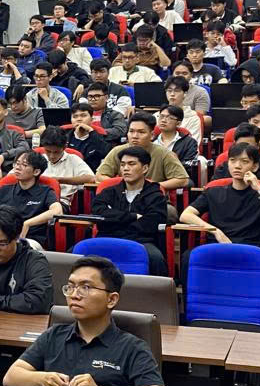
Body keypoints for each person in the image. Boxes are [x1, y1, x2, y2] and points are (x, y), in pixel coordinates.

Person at [4, 256, 166, 386]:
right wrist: (43, 378)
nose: (74, 295)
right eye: (71, 287)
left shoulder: (132, 347)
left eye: (86, 288)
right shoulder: (54, 335)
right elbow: (11, 377)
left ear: (111, 299)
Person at [180, 142, 260, 302]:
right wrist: (214, 231)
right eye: (233, 160)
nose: (237, 166)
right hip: (219, 247)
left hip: (252, 249)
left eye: (244, 161)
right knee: (188, 257)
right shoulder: (214, 190)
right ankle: (188, 306)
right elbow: (186, 215)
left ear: (255, 167)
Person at [91, 146, 170, 276]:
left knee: (156, 258)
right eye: (122, 165)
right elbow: (98, 213)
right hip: (108, 238)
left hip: (141, 242)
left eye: (131, 164)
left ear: (145, 168)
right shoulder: (109, 192)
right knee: (73, 252)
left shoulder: (155, 195)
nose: (125, 168)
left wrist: (115, 221)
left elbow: (151, 223)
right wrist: (132, 217)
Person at [0, 151, 63, 247]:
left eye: (24, 165)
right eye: (17, 163)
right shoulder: (5, 189)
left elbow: (57, 211)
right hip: (1, 235)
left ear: (36, 172)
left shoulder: (45, 191)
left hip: (30, 239)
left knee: (18, 246)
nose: (17, 167)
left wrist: (27, 223)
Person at [95, 112, 190, 190]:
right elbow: (100, 175)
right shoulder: (117, 150)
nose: (135, 136)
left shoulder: (163, 153)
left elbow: (182, 180)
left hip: (154, 199)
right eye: (131, 131)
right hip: (123, 197)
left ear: (152, 135)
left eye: (141, 132)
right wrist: (125, 185)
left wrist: (150, 187)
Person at [38, 126, 95, 210]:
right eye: (48, 151)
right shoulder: (38, 159)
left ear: (65, 147)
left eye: (56, 152)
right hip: (37, 199)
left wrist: (59, 180)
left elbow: (91, 178)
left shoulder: (73, 159)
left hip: (61, 202)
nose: (52, 156)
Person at [68, 103, 113, 171]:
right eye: (75, 116)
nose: (79, 119)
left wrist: (91, 131)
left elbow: (106, 153)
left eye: (83, 116)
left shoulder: (99, 137)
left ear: (92, 119)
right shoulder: (65, 137)